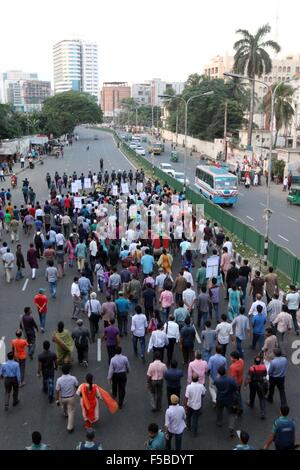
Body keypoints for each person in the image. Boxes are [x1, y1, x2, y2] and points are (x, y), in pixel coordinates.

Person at [215, 366, 238, 437]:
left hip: (220, 398)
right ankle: (231, 426)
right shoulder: (231, 380)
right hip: (229, 399)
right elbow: (235, 388)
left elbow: (215, 386)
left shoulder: (217, 380)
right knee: (231, 413)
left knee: (219, 410)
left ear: (219, 373)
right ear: (225, 372)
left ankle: (219, 421)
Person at [55, 364, 78, 433]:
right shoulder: (73, 378)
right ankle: (70, 427)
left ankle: (65, 413)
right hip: (71, 397)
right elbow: (77, 385)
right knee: (71, 412)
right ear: (69, 370)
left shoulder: (59, 380)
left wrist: (57, 400)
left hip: (63, 398)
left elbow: (57, 391)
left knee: (64, 407)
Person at [244, 355, 267, 420]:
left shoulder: (252, 368)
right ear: (260, 361)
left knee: (252, 394)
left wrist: (245, 385)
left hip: (253, 384)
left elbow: (249, 378)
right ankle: (263, 413)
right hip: (261, 383)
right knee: (262, 398)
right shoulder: (263, 367)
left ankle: (251, 403)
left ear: (254, 361)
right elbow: (265, 374)